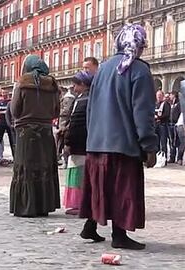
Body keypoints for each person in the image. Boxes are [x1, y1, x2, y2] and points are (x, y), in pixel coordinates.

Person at [79, 24, 158, 250]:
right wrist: (149, 146)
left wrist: (91, 137)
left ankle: (90, 225)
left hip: (97, 141)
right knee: (121, 189)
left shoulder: (103, 68)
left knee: (99, 186)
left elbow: (91, 108)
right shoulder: (140, 70)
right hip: (123, 144)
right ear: (140, 45)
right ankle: (119, 235)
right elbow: (143, 113)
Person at [9, 54, 61, 217]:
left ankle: (26, 206)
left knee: (26, 167)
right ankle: (43, 205)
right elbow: (56, 111)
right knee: (44, 167)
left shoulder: (22, 83)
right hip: (45, 131)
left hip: (26, 131)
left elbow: (15, 109)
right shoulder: (52, 85)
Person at [62, 71, 93, 216]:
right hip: (86, 142)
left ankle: (78, 203)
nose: (74, 88)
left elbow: (76, 124)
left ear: (82, 85)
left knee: (77, 173)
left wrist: (68, 141)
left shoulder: (82, 101)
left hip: (79, 144)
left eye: (76, 84)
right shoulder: (86, 98)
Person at [0, 88, 15, 157]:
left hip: (9, 123)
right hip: (1, 123)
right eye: (3, 93)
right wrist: (3, 112)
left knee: (12, 141)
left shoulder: (11, 102)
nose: (4, 94)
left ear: (8, 93)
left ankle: (15, 157)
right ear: (1, 93)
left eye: (6, 93)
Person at [155, 89, 170, 161]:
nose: (159, 97)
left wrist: (158, 117)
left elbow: (167, 114)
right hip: (156, 125)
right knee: (156, 142)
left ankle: (164, 158)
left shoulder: (166, 104)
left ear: (163, 96)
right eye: (158, 96)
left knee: (163, 142)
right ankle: (158, 158)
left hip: (162, 125)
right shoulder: (155, 104)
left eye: (160, 95)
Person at [168, 91, 181, 163]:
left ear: (174, 95)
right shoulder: (171, 104)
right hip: (170, 124)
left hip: (176, 125)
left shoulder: (179, 104)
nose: (170, 96)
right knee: (171, 142)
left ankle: (179, 157)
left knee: (178, 141)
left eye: (171, 95)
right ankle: (172, 157)